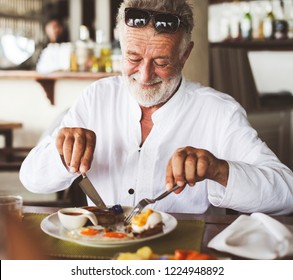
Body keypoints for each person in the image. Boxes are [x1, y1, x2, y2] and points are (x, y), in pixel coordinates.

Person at [20, 0, 293, 215]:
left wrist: (219, 170)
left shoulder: (219, 112)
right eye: (133, 57)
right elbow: (31, 179)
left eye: (161, 62)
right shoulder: (97, 97)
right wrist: (61, 151)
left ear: (185, 55)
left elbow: (286, 193)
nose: (145, 74)